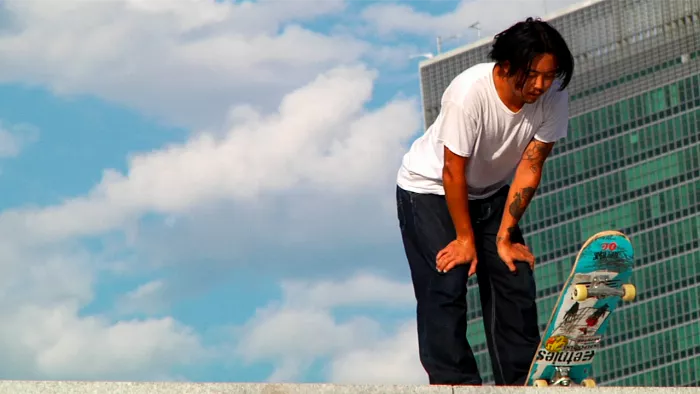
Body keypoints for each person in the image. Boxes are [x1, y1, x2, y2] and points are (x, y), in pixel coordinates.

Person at [395, 17, 574, 386]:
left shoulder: (553, 95)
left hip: (489, 193)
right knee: (448, 278)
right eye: (533, 75)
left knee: (513, 273)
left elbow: (531, 164)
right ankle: (453, 382)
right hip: (429, 190)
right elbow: (451, 172)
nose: (541, 85)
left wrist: (505, 236)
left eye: (549, 75)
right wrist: (465, 240)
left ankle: (521, 379)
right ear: (506, 66)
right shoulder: (469, 93)